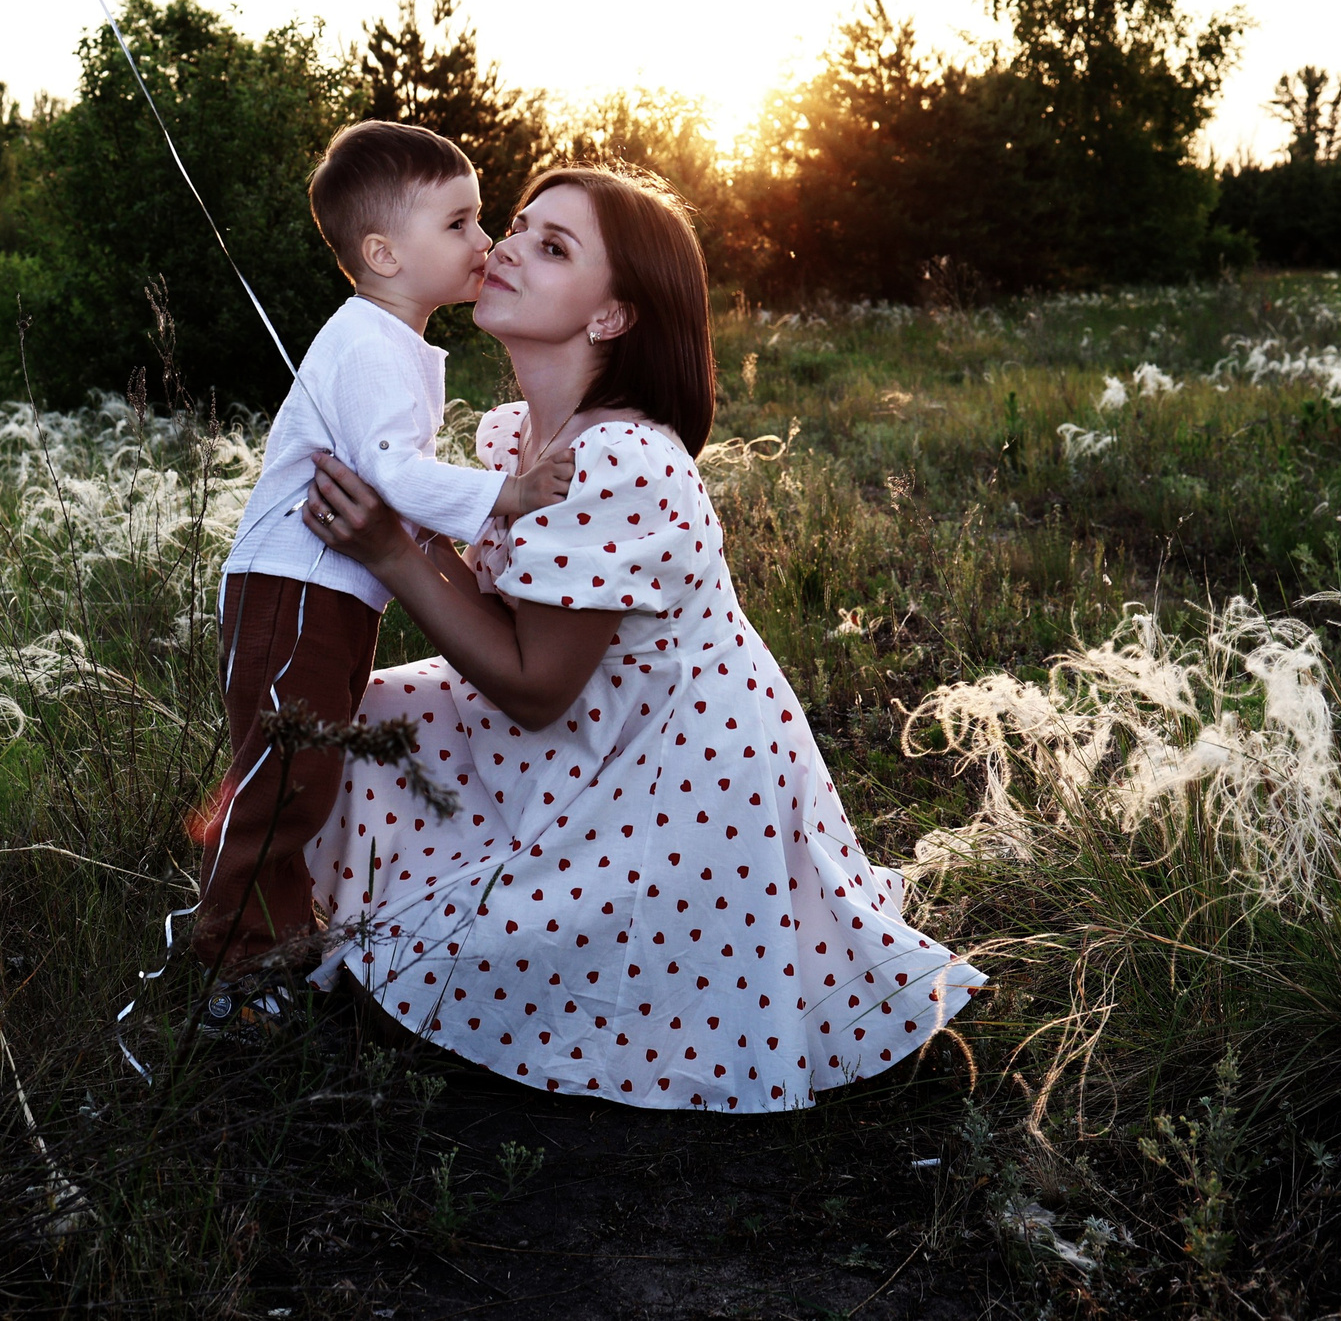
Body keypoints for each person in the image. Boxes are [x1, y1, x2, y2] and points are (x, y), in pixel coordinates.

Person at [300, 165, 987, 1110]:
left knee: (451, 957)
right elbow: (510, 633)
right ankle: (314, 928)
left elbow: (536, 686)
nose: (506, 248)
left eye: (553, 247)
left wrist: (393, 548)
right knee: (348, 722)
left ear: (613, 315)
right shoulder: (527, 438)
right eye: (518, 226)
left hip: (668, 791)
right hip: (592, 738)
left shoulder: (619, 458)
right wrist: (407, 535)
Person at [195, 122, 574, 1026]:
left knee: (308, 772)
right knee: (286, 776)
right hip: (295, 588)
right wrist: (512, 494)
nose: (486, 240)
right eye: (459, 223)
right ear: (383, 254)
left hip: (325, 590)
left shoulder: (391, 340)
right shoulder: (369, 342)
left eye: (479, 218)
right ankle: (230, 964)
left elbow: (393, 486)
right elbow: (395, 475)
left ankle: (281, 945)